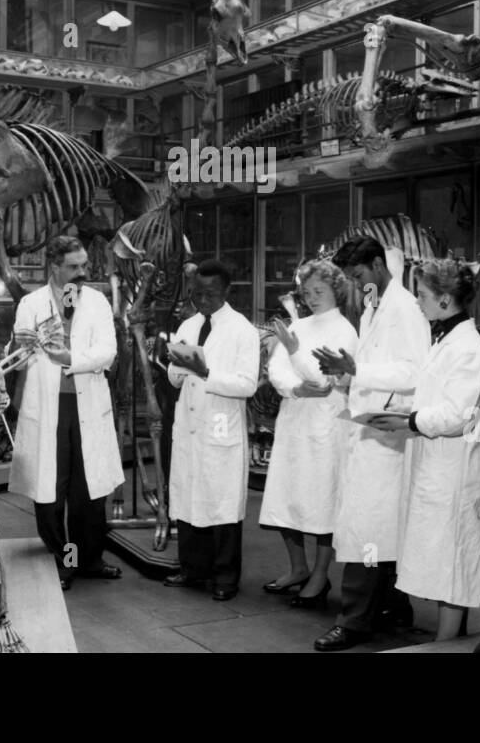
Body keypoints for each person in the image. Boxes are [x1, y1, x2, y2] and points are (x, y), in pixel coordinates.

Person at [311, 237, 431, 652]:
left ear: (378, 265)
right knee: (379, 532)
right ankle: (392, 609)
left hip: (387, 437)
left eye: (359, 275)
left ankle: (354, 620)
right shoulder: (374, 307)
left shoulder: (406, 309)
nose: (356, 284)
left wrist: (358, 367)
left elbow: (415, 371)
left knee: (368, 532)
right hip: (369, 431)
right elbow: (372, 368)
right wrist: (345, 373)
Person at [369, 258, 480, 641]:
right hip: (434, 464)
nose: (417, 302)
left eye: (422, 295)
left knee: (453, 558)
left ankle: (448, 642)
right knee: (440, 557)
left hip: (453, 471)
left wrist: (410, 421)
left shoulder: (469, 349)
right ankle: (447, 637)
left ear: (444, 299)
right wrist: (404, 412)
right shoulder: (443, 340)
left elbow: (458, 415)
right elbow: (437, 398)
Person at [11, 235, 124, 591]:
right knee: (51, 491)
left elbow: (107, 352)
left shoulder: (97, 301)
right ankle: (66, 559)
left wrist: (70, 358)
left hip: (86, 404)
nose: (82, 272)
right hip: (48, 408)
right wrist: (22, 346)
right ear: (54, 267)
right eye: (74, 266)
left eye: (84, 265)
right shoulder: (31, 303)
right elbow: (19, 354)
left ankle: (89, 559)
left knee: (87, 490)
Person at [259, 259, 357, 608]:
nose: (312, 298)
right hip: (295, 418)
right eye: (307, 292)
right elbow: (277, 371)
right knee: (289, 497)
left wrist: (296, 354)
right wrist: (296, 389)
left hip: (325, 427)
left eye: (319, 292)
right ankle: (297, 568)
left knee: (321, 502)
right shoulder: (298, 324)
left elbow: (325, 379)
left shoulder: (344, 330)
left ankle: (319, 576)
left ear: (336, 290)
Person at [163, 259, 260, 601]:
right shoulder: (189, 324)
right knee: (189, 500)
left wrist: (205, 373)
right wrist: (177, 369)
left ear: (226, 291)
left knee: (220, 505)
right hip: (190, 423)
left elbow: (247, 385)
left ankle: (225, 577)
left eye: (210, 293)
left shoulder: (242, 330)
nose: (203, 300)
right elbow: (174, 375)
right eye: (197, 293)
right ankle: (192, 569)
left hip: (220, 424)